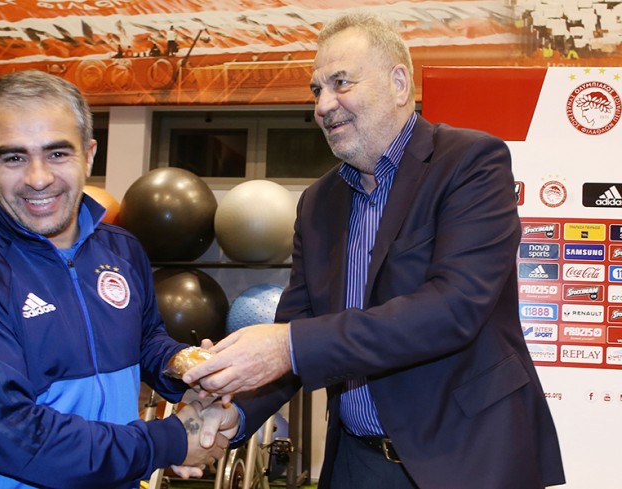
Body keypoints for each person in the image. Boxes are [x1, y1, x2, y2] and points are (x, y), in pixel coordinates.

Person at [185, 11, 566, 489]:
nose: (323, 105)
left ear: (399, 83)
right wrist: (236, 412)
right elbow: (296, 328)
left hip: (467, 457)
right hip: (357, 461)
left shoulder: (470, 163)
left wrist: (287, 346)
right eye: (316, 91)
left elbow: (454, 307)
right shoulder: (318, 203)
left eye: (340, 83)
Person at [0, 70, 230, 488]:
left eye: (58, 153)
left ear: (89, 155)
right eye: (13, 158)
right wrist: (170, 440)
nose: (38, 178)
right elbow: (14, 436)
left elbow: (144, 339)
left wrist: (186, 369)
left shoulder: (121, 249)